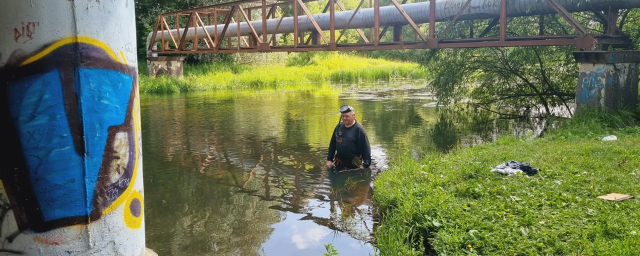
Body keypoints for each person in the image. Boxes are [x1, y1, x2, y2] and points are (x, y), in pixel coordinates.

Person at [326, 104, 371, 170]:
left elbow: (366, 148)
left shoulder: (359, 130)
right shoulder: (338, 127)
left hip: (354, 167)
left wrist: (365, 165)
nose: (344, 118)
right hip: (339, 165)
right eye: (343, 116)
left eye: (347, 116)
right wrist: (329, 159)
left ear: (353, 115)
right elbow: (332, 144)